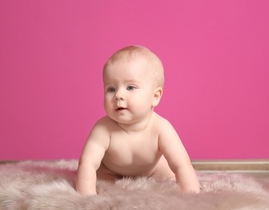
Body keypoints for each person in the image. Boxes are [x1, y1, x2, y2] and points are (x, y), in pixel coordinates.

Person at [76, 45, 200, 196]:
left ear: (155, 96)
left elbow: (182, 165)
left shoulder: (161, 128)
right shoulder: (103, 128)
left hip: (153, 172)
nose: (118, 95)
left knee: (169, 178)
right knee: (101, 182)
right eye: (111, 89)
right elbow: (87, 164)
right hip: (111, 172)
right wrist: (86, 198)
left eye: (130, 87)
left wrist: (192, 197)